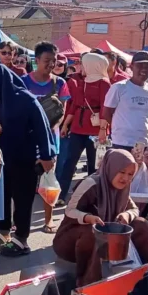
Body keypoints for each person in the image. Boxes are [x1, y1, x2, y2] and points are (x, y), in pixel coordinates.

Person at [0, 64, 55, 256]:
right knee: (2, 196)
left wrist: (47, 155)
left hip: (25, 159)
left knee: (22, 199)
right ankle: (4, 232)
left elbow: (43, 127)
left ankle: (22, 239)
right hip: (3, 159)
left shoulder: (26, 100)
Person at [52, 149, 148, 287]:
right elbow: (69, 210)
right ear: (111, 168)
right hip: (72, 242)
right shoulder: (92, 183)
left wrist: (126, 215)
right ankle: (86, 283)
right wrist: (88, 218)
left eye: (130, 174)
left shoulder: (122, 188)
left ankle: (146, 275)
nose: (126, 178)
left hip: (108, 241)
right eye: (122, 172)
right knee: (92, 232)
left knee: (142, 225)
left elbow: (134, 209)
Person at [22, 42, 70, 233]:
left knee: (49, 182)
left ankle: (48, 220)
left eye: (54, 61)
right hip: (26, 141)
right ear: (37, 61)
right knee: (24, 183)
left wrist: (47, 129)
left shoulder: (60, 83)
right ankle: (20, 221)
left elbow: (62, 113)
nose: (51, 64)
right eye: (47, 60)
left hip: (50, 142)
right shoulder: (24, 81)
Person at [60, 53, 111, 205]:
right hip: (78, 127)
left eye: (83, 63)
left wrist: (103, 129)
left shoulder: (104, 83)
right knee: (70, 162)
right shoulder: (83, 81)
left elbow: (105, 107)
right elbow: (75, 104)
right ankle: (62, 195)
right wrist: (65, 124)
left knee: (93, 165)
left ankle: (90, 199)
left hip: (96, 130)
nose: (80, 67)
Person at [102, 51, 148, 151]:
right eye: (140, 65)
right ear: (131, 67)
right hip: (120, 141)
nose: (144, 69)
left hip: (143, 142)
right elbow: (106, 113)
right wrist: (120, 126)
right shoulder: (119, 87)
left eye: (147, 66)